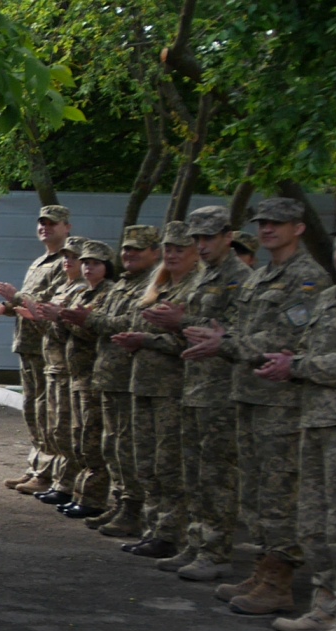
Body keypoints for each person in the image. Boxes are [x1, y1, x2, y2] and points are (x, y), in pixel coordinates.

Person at [185, 197, 332, 615]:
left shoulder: (307, 279)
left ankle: (279, 581)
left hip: (281, 404)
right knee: (253, 492)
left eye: (278, 223)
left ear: (299, 228)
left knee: (278, 493)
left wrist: (226, 344)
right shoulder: (261, 275)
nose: (267, 229)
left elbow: (290, 340)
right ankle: (262, 570)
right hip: (248, 394)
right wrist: (221, 337)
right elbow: (241, 329)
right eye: (263, 223)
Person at [259, 213, 336, 631]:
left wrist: (298, 365)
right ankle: (325, 605)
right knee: (314, 522)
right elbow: (308, 348)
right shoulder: (332, 298)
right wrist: (289, 358)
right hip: (317, 425)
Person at [139, 205, 250, 582]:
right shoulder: (208, 276)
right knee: (195, 474)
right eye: (197, 238)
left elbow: (234, 332)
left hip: (222, 392)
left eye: (208, 238)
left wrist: (181, 321)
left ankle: (216, 550)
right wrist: (173, 324)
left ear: (228, 237)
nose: (202, 245)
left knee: (217, 475)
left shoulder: (239, 278)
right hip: (195, 385)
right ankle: (197, 541)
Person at [64, 226, 160, 537]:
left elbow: (132, 322)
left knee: (128, 447)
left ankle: (133, 510)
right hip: (109, 375)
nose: (129, 254)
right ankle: (121, 504)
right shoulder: (123, 285)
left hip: (130, 378)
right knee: (113, 446)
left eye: (137, 250)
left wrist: (88, 319)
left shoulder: (152, 284)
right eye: (126, 249)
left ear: (153, 253)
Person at [114, 220, 198, 560]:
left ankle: (169, 531)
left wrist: (148, 339)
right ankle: (153, 528)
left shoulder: (193, 290)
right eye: (170, 248)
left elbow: (194, 340)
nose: (173, 254)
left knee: (168, 464)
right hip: (144, 383)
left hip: (172, 388)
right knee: (144, 461)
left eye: (181, 248)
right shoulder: (157, 287)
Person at [0, 203, 69, 492]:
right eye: (42, 223)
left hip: (48, 347)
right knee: (33, 411)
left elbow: (46, 304)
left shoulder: (65, 263)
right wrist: (6, 307)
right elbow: (26, 302)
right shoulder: (41, 261)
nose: (45, 227)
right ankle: (36, 467)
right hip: (30, 345)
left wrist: (15, 296)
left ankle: (48, 474)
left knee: (48, 413)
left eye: (52, 223)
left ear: (66, 227)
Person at [54, 240, 112, 518]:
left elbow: (95, 332)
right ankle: (79, 492)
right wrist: (59, 319)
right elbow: (68, 328)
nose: (88, 267)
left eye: (95, 263)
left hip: (93, 374)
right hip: (76, 373)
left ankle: (93, 498)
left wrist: (71, 320)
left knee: (91, 438)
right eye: (86, 262)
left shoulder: (106, 294)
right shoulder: (84, 295)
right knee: (77, 436)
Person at [25, 238, 82, 506]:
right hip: (54, 362)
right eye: (67, 257)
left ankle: (68, 484)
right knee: (53, 424)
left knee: (72, 429)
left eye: (76, 257)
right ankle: (55, 478)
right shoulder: (64, 287)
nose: (68, 261)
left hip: (73, 368)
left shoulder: (85, 291)